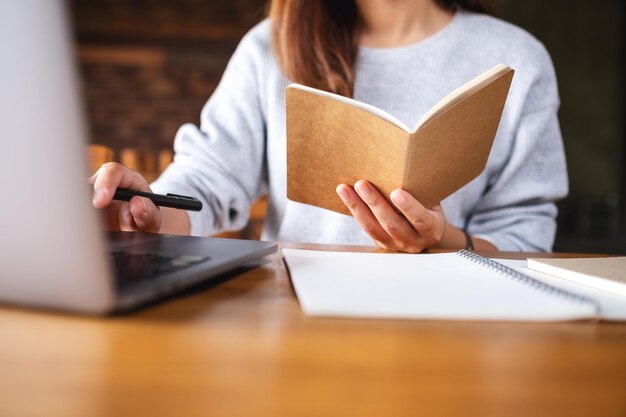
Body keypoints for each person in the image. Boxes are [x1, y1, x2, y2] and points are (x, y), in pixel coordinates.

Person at [90, 0, 568, 253]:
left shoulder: (518, 59)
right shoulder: (270, 47)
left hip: (454, 323)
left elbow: (524, 240)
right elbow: (208, 180)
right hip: (295, 313)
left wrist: (442, 241)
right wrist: (148, 209)